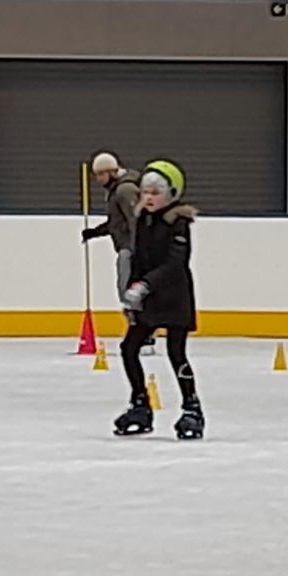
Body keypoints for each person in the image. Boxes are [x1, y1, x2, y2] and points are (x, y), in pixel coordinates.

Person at [113, 160, 203, 440]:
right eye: (145, 192)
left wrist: (145, 285)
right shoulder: (142, 219)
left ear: (171, 194)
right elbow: (139, 258)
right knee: (129, 348)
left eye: (156, 192)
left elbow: (175, 263)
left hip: (174, 297)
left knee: (177, 353)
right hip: (148, 297)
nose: (149, 198)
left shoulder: (179, 222)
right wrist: (131, 292)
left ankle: (192, 408)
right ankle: (140, 403)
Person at [81, 152, 143, 326]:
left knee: (128, 291)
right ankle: (138, 330)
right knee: (126, 291)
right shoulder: (116, 190)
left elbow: (135, 220)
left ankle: (143, 333)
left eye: (102, 174)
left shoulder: (125, 190)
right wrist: (95, 232)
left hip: (130, 249)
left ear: (112, 171)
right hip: (126, 246)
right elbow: (117, 223)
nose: (99, 179)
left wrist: (138, 249)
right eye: (97, 175)